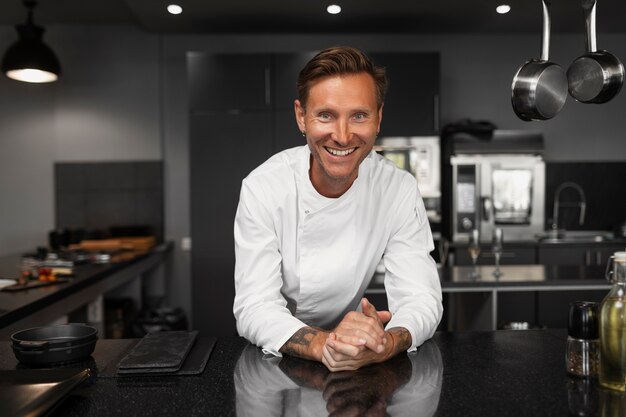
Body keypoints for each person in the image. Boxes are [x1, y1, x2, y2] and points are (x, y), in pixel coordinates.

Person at [233, 46, 442, 372]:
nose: (342, 136)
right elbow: (255, 306)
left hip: (363, 353)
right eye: (325, 115)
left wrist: (387, 342)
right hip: (275, 361)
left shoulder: (397, 189)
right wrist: (323, 344)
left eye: (359, 115)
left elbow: (421, 298)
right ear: (301, 116)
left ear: (379, 118)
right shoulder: (264, 187)